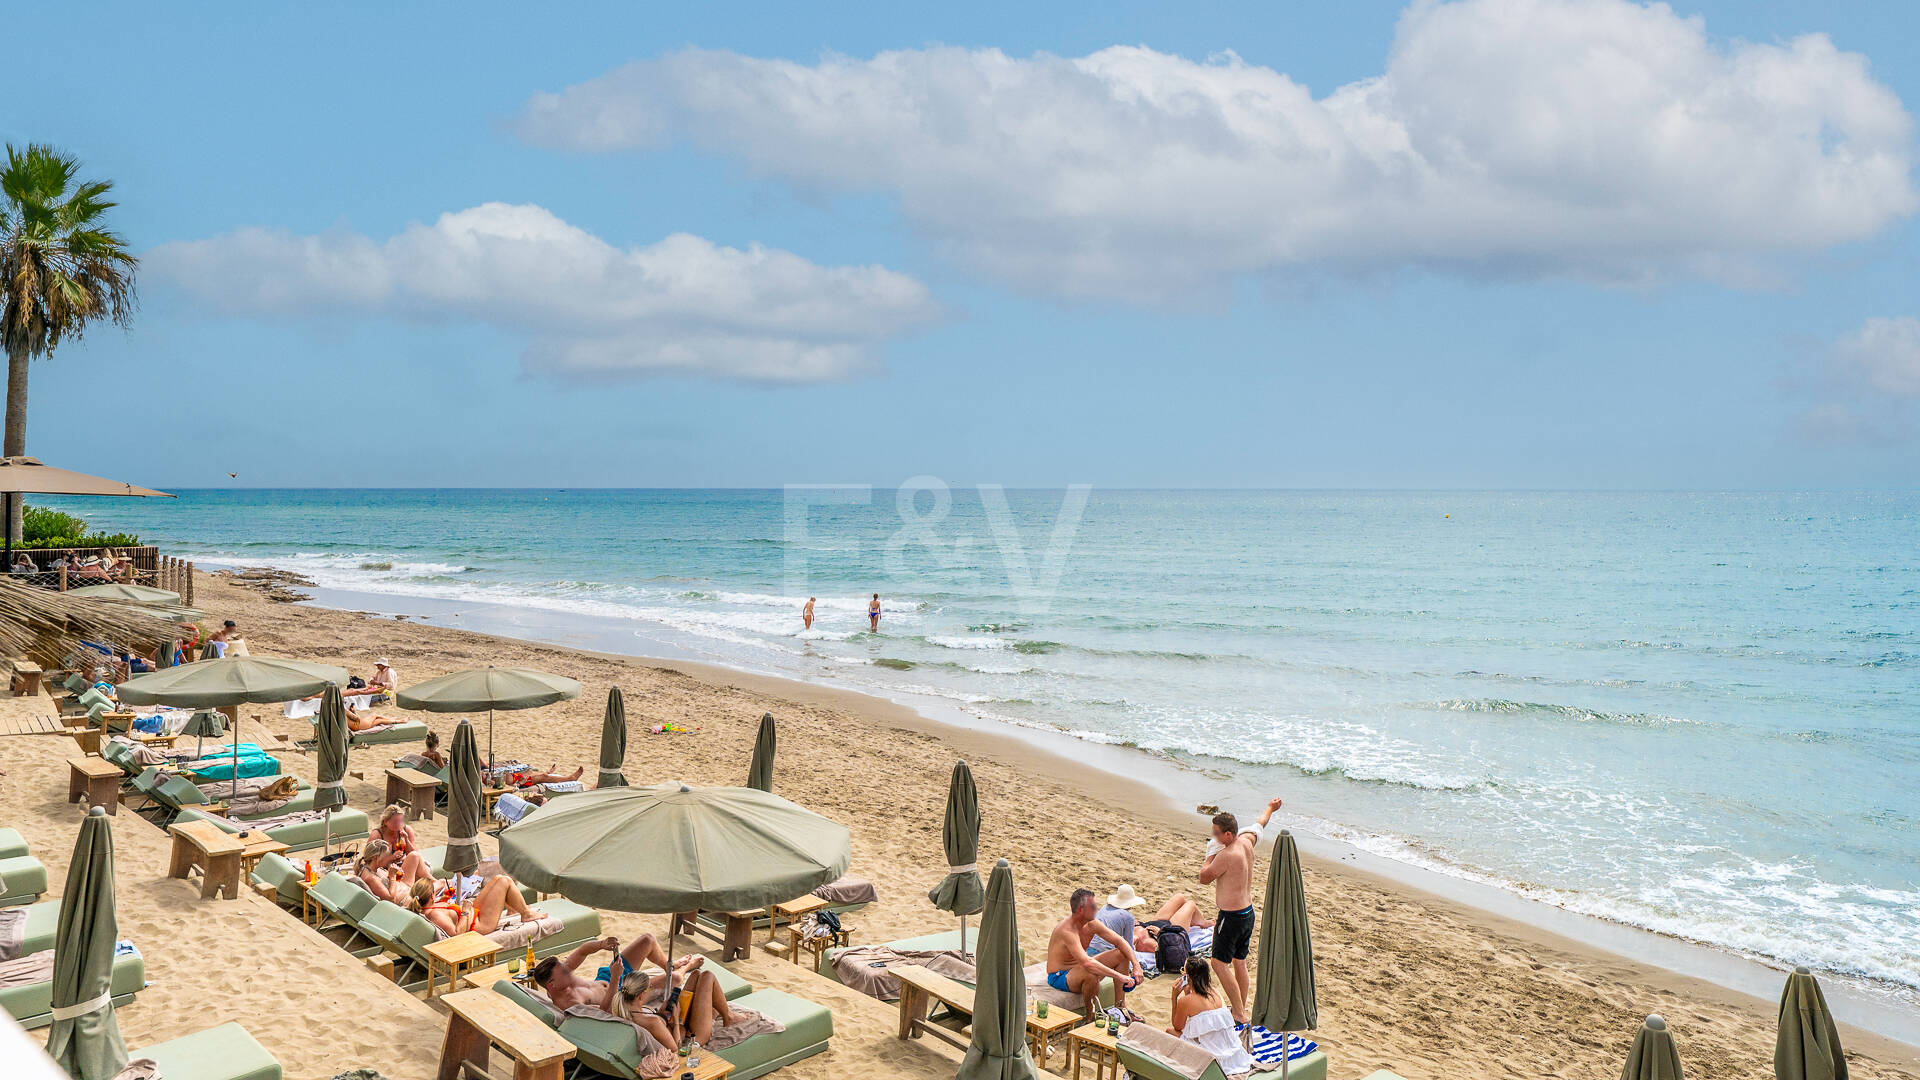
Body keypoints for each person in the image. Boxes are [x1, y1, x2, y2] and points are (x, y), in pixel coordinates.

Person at [1199, 795, 1283, 1024]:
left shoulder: (1226, 855)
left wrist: (1210, 854)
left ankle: (1238, 1012)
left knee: (1218, 963)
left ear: (1228, 834)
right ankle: (1241, 1007)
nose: (1214, 837)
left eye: (1216, 833)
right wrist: (1270, 807)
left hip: (1231, 917)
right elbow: (1260, 824)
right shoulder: (1247, 841)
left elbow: (1204, 878)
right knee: (1239, 961)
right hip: (1247, 914)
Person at [1046, 887, 1143, 1021]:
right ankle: (1090, 1017)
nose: (1097, 909)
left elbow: (1120, 941)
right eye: (1093, 906)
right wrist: (1120, 976)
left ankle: (1120, 1008)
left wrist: (1136, 965)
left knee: (1121, 954)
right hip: (1060, 977)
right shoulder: (1067, 931)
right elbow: (1088, 963)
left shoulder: (1092, 924)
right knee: (1090, 973)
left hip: (1079, 968)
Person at [533, 932, 690, 1012]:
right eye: (564, 971)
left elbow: (582, 951)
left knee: (647, 940)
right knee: (674, 979)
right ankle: (684, 969)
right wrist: (616, 978)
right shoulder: (570, 1005)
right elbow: (604, 1012)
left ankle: (668, 966)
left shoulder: (560, 977)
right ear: (551, 984)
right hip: (623, 995)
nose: (568, 969)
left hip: (607, 976)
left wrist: (602, 944)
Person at [1168, 956, 1258, 1076]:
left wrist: (1174, 997)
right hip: (1232, 1054)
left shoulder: (1185, 1001)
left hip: (1211, 1059)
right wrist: (1187, 992)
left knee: (1169, 1032)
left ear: (1188, 977)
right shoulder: (1215, 992)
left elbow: (1177, 1027)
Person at [408, 875, 547, 938]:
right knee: (505, 881)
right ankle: (526, 914)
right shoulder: (434, 914)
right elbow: (457, 935)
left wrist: (446, 901)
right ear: (432, 895)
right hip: (479, 925)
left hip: (473, 915)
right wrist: (465, 912)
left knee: (498, 879)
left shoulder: (429, 908)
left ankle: (516, 909)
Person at [1086, 884, 1147, 961]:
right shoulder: (1128, 916)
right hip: (1103, 952)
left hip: (1088, 948)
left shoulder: (1105, 907)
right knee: (1124, 954)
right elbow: (1128, 944)